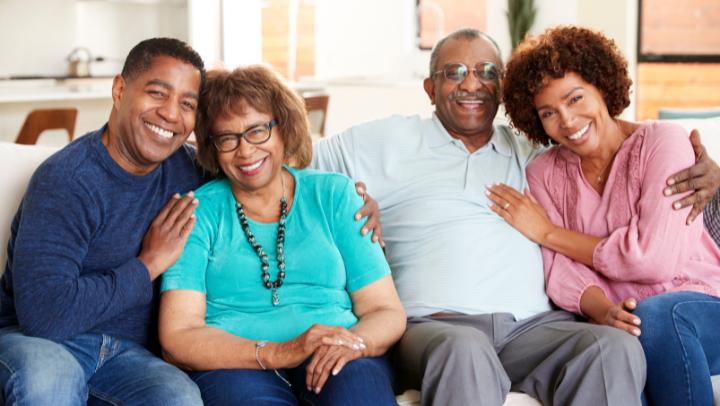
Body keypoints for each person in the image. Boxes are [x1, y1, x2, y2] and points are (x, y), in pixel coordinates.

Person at [312, 27, 720, 406]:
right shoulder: (387, 139)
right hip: (435, 325)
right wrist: (348, 197)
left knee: (612, 347)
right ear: (430, 88)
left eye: (487, 71)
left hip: (534, 327)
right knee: (464, 349)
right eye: (454, 72)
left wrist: (703, 162)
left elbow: (595, 153)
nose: (472, 83)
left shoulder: (532, 153)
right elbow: (292, 156)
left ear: (502, 89)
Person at [487, 26, 720, 406]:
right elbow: (559, 271)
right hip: (628, 324)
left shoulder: (664, 143)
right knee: (619, 359)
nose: (567, 120)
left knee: (658, 318)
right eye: (549, 112)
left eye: (576, 98)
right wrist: (605, 312)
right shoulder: (542, 174)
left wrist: (548, 233)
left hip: (699, 308)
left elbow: (653, 258)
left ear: (601, 85)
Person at [157, 65, 406, 406]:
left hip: (337, 350)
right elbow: (178, 335)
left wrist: (351, 344)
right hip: (234, 360)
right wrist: (278, 352)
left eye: (257, 130)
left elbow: (385, 310)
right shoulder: (198, 213)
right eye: (227, 138)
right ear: (213, 147)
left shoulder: (335, 195)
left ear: (284, 129)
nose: (244, 151)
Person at [0, 38, 206, 406]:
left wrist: (339, 188)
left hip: (126, 356)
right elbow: (44, 317)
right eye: (158, 93)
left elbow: (258, 167)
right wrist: (149, 264)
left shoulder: (188, 169)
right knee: (52, 381)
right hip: (36, 342)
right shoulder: (66, 179)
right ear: (119, 89)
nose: (172, 114)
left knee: (180, 398)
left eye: (187, 104)